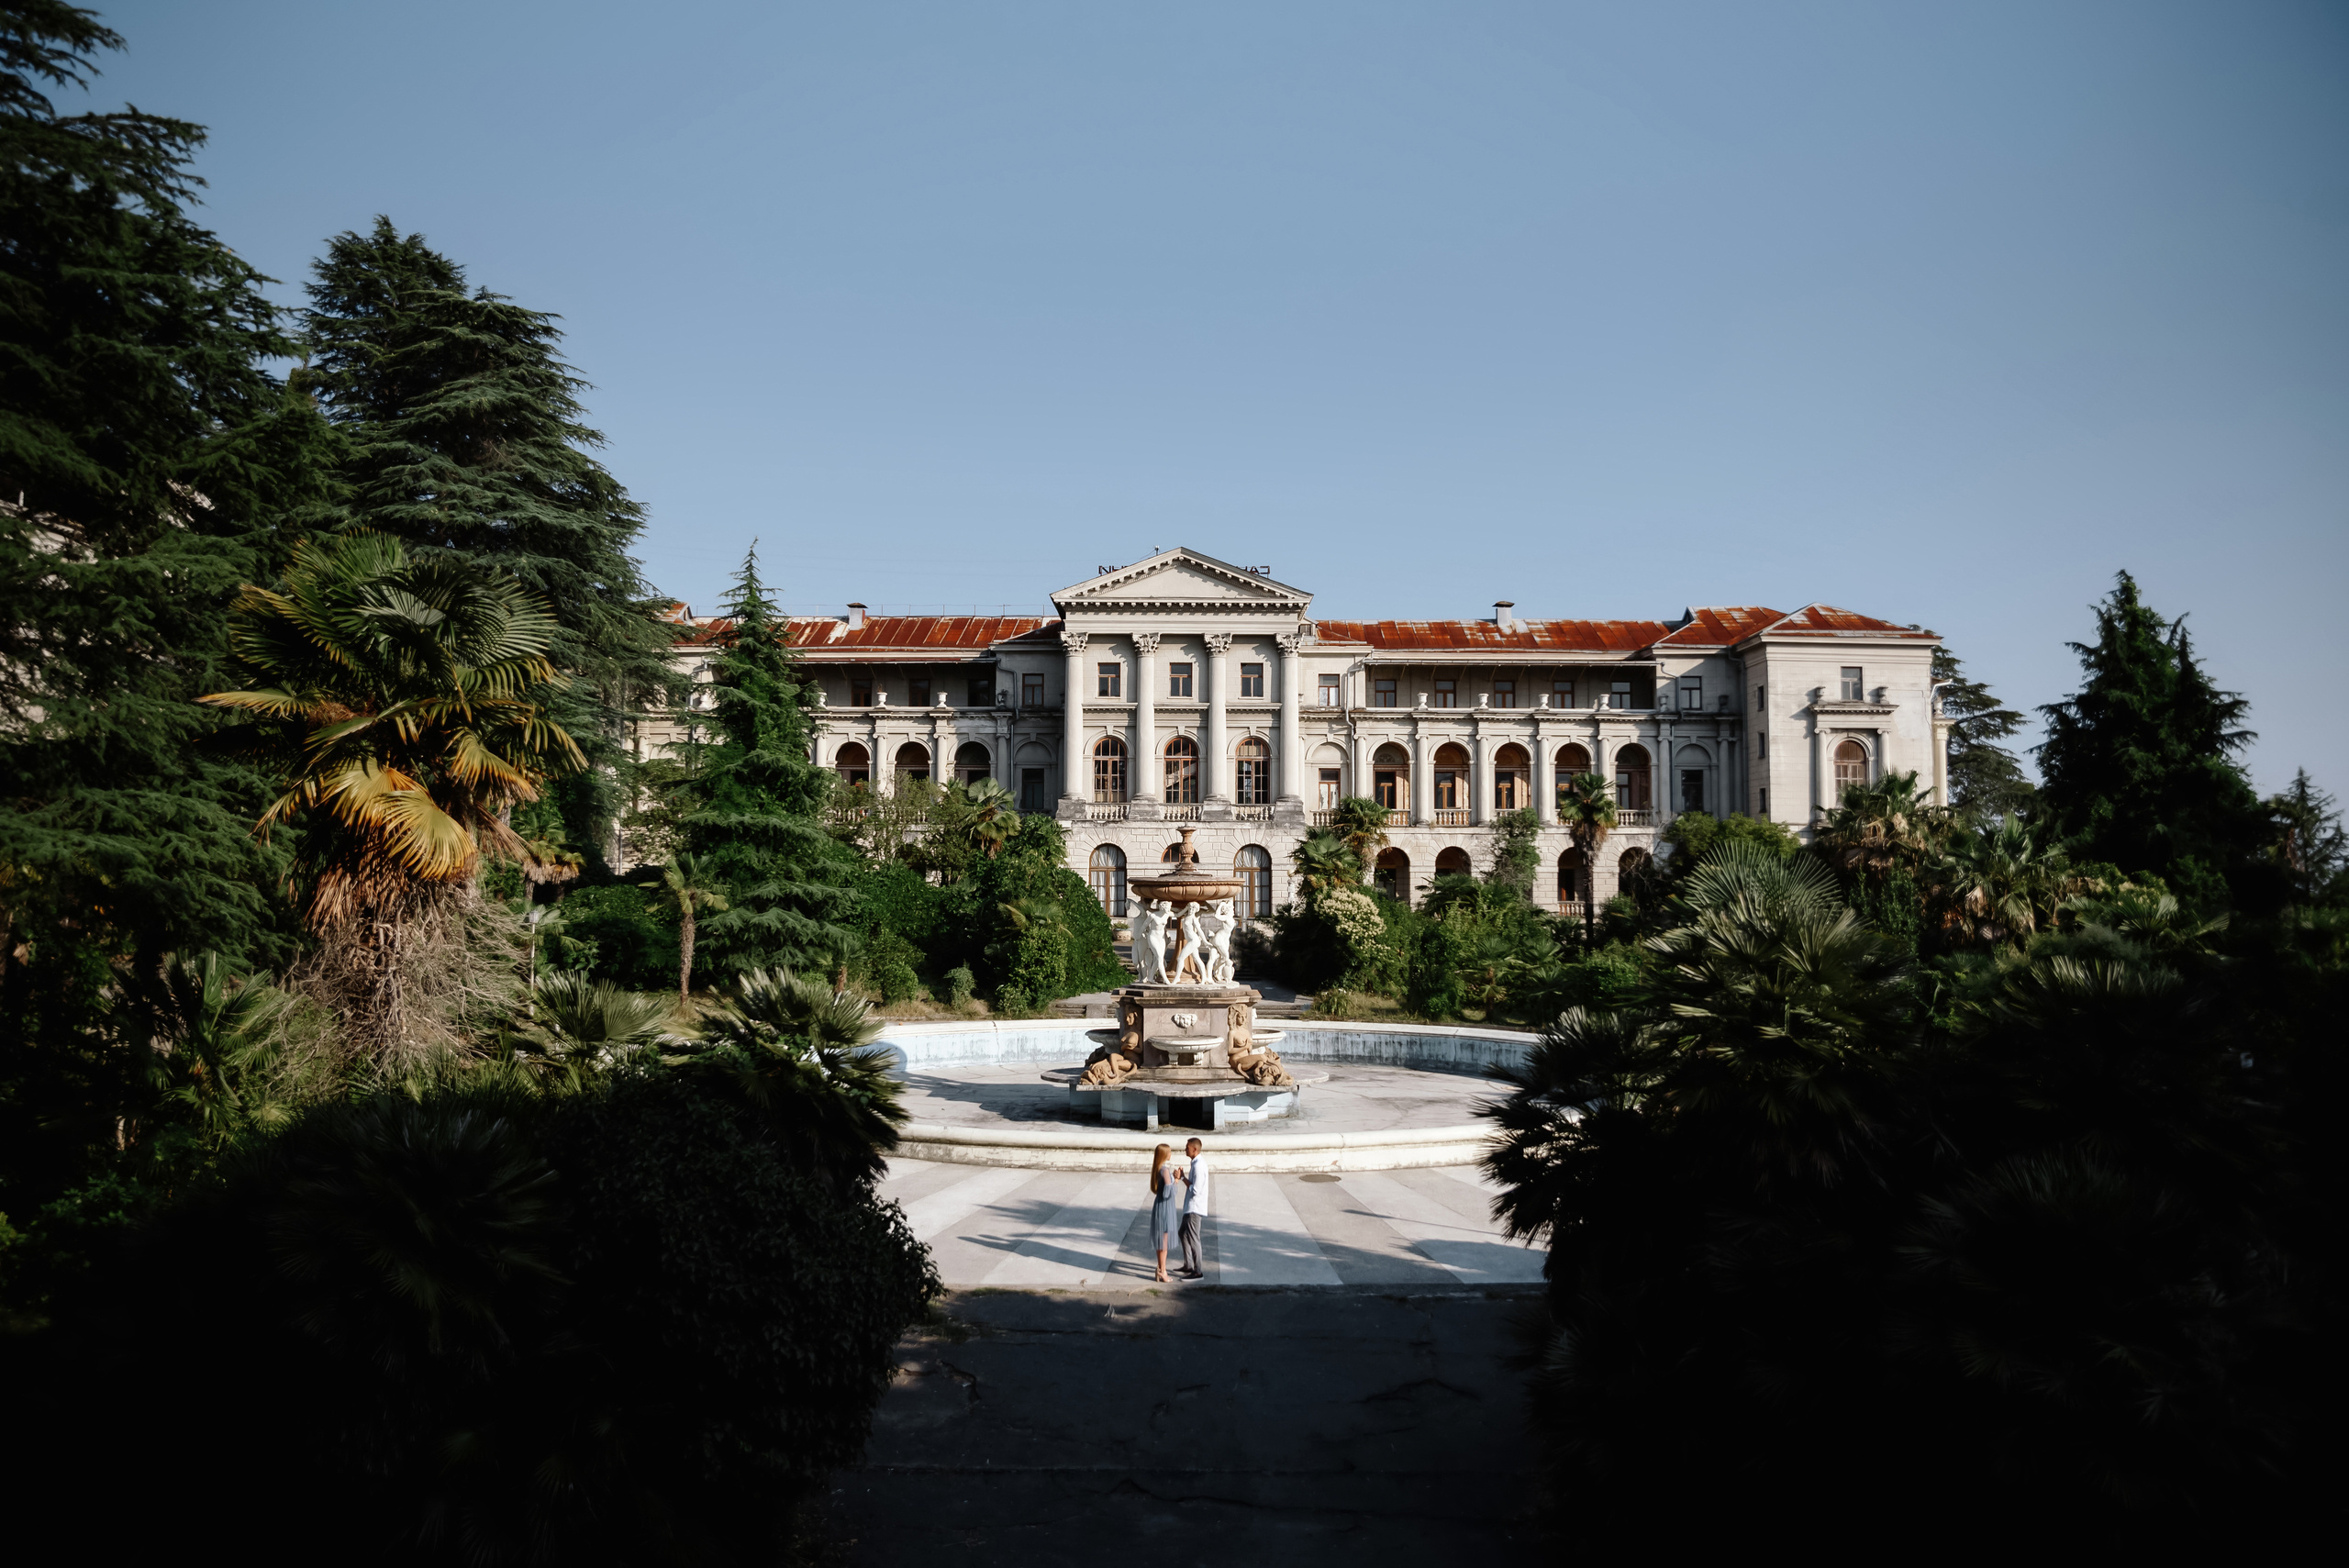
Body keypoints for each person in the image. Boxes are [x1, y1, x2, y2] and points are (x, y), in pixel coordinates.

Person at [1149, 1141, 1186, 1284]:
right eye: (1169, 1152)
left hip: (1159, 1206)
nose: (1171, 1154)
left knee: (1161, 1242)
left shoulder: (1157, 1169)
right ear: (1164, 1154)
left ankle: (1160, 1268)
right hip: (1165, 1208)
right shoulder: (1164, 1170)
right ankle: (1162, 1271)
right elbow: (1168, 1193)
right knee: (1164, 1243)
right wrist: (1176, 1180)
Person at [1178, 1137, 1209, 1279]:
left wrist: (1182, 1178)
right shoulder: (1195, 1164)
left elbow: (1196, 1190)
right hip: (1190, 1207)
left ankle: (1198, 1271)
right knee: (1183, 1234)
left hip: (1195, 1208)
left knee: (1193, 1238)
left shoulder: (1199, 1166)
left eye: (1187, 1147)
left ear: (1194, 1149)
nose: (1185, 1149)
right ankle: (1188, 1265)